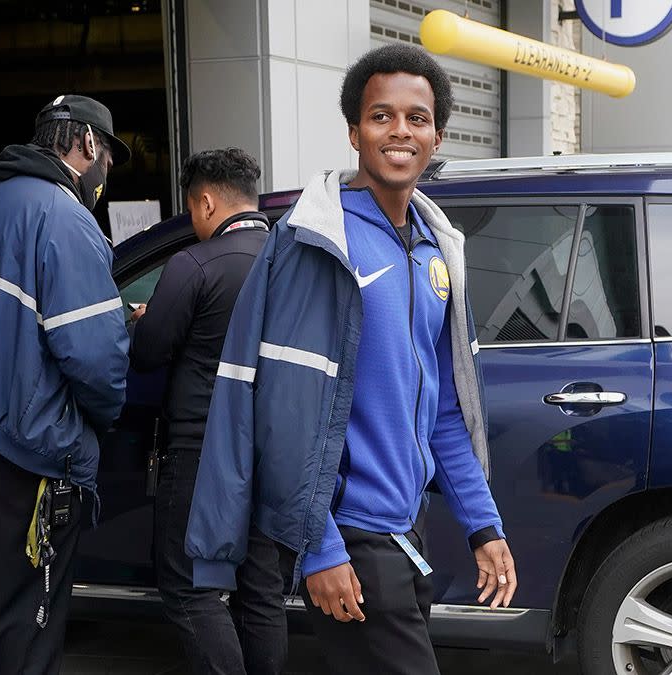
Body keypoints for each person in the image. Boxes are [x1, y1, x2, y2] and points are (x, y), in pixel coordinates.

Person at [185, 44, 517, 675]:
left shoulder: (435, 247)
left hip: (405, 533)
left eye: (416, 118)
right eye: (381, 116)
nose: (399, 131)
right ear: (354, 132)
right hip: (352, 539)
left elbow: (446, 410)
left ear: (438, 134)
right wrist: (319, 547)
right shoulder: (320, 243)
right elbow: (286, 415)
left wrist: (484, 526)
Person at [0, 94, 131, 675]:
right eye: (108, 157)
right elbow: (93, 358)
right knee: (30, 622)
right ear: (88, 144)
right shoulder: (64, 217)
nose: (105, 173)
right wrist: (106, 413)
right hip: (26, 447)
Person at [128, 148, 286, 675]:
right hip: (273, 452)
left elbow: (149, 352)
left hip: (201, 452)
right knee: (260, 590)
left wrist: (147, 320)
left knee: (189, 588)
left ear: (206, 201)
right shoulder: (289, 260)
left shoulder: (194, 264)